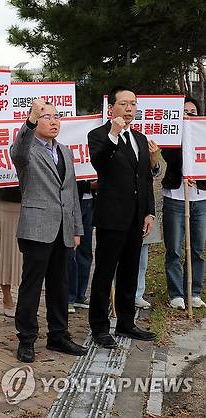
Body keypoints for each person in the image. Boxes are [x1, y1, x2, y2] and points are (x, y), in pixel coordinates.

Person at [10, 99, 87, 363]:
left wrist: (77, 228)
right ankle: (27, 338)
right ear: (35, 121)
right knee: (32, 285)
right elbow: (17, 152)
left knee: (60, 284)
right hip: (37, 228)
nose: (54, 121)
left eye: (57, 117)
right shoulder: (27, 149)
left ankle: (58, 335)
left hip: (64, 229)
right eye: (47, 117)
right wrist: (30, 119)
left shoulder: (65, 151)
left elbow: (72, 192)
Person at [87, 86, 157, 349]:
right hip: (111, 217)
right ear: (111, 108)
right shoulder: (98, 135)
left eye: (133, 104)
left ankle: (126, 322)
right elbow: (100, 164)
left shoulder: (140, 138)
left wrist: (149, 211)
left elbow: (145, 178)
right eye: (124, 104)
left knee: (129, 272)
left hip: (136, 218)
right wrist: (114, 134)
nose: (129, 109)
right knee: (105, 273)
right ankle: (100, 327)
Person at [161, 97, 206, 310]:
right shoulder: (172, 138)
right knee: (174, 249)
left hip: (200, 200)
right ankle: (176, 293)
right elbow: (169, 157)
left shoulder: (203, 135)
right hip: (175, 199)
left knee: (197, 248)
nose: (189, 115)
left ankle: (194, 291)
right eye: (184, 112)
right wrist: (183, 137)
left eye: (193, 112)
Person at [136, 139, 162, 310]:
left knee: (142, 256)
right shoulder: (109, 135)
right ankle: (115, 293)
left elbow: (152, 175)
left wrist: (150, 213)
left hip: (143, 206)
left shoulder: (143, 140)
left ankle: (137, 293)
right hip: (118, 208)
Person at [0, 186, 23, 317]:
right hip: (5, 202)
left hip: (32, 202)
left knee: (29, 256)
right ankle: (7, 299)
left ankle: (26, 301)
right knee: (5, 253)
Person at [67, 181, 95, 313]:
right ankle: (69, 296)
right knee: (71, 251)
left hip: (89, 202)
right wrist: (89, 186)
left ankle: (80, 294)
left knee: (85, 251)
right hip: (72, 202)